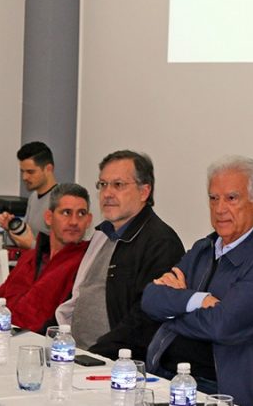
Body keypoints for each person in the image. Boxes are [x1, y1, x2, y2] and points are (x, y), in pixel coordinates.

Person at [142, 155, 253, 406]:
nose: (220, 208)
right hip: (165, 376)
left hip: (220, 391)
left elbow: (222, 325)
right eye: (213, 198)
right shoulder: (203, 249)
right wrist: (198, 300)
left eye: (231, 198)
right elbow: (150, 299)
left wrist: (173, 311)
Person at [55, 150, 184, 360]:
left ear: (144, 192)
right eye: (103, 184)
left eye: (118, 185)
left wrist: (94, 356)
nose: (107, 193)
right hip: (75, 351)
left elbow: (145, 320)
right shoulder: (103, 233)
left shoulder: (161, 243)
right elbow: (78, 296)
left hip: (112, 362)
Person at [0, 183, 92, 332]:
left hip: (26, 340)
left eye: (81, 214)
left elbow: (32, 325)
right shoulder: (30, 258)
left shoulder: (85, 263)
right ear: (49, 217)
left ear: (89, 220)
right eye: (66, 212)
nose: (74, 222)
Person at [0, 141, 58, 250]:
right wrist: (10, 227)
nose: (24, 177)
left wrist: (31, 245)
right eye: (22, 171)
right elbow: (25, 238)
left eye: (30, 172)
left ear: (48, 169)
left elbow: (63, 251)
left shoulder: (62, 200)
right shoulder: (33, 197)